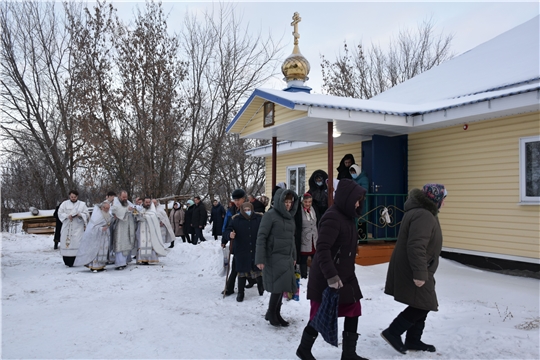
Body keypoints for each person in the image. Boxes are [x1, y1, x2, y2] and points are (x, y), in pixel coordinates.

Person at [296, 179, 368, 360]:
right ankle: (303, 350)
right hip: (326, 278)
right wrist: (331, 276)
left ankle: (349, 354)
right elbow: (322, 249)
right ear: (346, 198)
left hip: (346, 276)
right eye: (356, 200)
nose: (359, 203)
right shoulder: (332, 217)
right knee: (319, 316)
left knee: (354, 309)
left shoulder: (348, 217)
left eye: (360, 200)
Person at [381, 184, 447, 355]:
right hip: (416, 267)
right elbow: (416, 246)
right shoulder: (424, 215)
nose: (444, 204)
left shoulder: (423, 212)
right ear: (435, 199)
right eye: (443, 199)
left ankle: (413, 339)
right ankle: (393, 332)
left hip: (421, 266)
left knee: (421, 302)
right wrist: (419, 273)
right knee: (423, 304)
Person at [255, 188, 298, 327]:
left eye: (290, 202)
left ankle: (274, 313)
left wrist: (294, 256)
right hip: (273, 256)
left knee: (282, 286)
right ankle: (272, 313)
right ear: (280, 201)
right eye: (285, 202)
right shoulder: (270, 215)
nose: (288, 205)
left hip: (286, 257)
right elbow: (261, 237)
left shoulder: (290, 218)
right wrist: (260, 259)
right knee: (277, 287)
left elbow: (292, 239)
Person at [223, 201, 264, 302]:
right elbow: (227, 230)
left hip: (255, 249)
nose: (247, 212)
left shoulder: (259, 218)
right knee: (241, 273)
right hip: (241, 250)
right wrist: (229, 235)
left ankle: (262, 290)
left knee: (258, 272)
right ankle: (241, 293)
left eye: (249, 210)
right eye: (245, 210)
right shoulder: (235, 219)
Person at [74, 201, 112, 272]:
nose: (107, 209)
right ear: (102, 207)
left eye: (108, 208)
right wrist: (101, 228)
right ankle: (94, 266)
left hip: (104, 236)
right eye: (106, 208)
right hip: (97, 236)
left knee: (103, 250)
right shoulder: (97, 215)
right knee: (96, 251)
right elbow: (93, 227)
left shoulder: (107, 214)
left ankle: (101, 266)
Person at [221, 189, 247, 296]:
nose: (237, 202)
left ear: (244, 199)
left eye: (239, 199)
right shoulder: (231, 211)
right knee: (236, 266)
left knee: (252, 267)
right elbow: (227, 227)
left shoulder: (248, 210)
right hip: (237, 243)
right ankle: (230, 288)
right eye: (235, 200)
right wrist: (226, 237)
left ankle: (260, 286)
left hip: (249, 243)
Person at [57, 190, 90, 267]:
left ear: (77, 196)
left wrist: (80, 215)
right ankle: (67, 261)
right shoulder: (64, 204)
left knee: (77, 242)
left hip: (77, 227)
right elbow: (60, 213)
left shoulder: (82, 204)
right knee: (66, 243)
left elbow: (87, 214)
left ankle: (77, 260)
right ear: (69, 196)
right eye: (72, 197)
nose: (73, 198)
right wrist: (67, 216)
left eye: (75, 197)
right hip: (67, 226)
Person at [134, 197, 169, 264]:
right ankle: (141, 259)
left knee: (150, 244)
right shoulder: (139, 209)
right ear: (143, 202)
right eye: (146, 202)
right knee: (141, 244)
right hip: (141, 228)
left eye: (149, 202)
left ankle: (151, 259)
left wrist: (146, 216)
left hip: (150, 230)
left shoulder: (153, 210)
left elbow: (155, 218)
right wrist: (138, 215)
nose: (148, 204)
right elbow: (136, 217)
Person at [110, 191, 137, 270]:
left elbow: (133, 210)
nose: (125, 199)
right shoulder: (116, 203)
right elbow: (115, 212)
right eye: (123, 197)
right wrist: (126, 210)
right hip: (120, 227)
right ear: (119, 196)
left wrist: (133, 210)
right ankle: (119, 263)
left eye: (126, 197)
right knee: (120, 244)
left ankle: (125, 261)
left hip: (128, 226)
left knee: (127, 243)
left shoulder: (128, 203)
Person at [294, 193, 318, 279]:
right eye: (306, 202)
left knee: (315, 258)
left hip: (314, 239)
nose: (308, 204)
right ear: (302, 202)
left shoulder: (313, 210)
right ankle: (304, 276)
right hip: (304, 239)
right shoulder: (299, 211)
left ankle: (315, 276)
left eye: (309, 202)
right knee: (303, 259)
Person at [349, 164, 369, 241]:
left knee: (362, 220)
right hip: (354, 203)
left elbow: (364, 190)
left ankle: (363, 239)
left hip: (363, 203)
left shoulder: (364, 179)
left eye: (354, 172)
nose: (353, 174)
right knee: (355, 220)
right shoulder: (353, 180)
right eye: (351, 173)